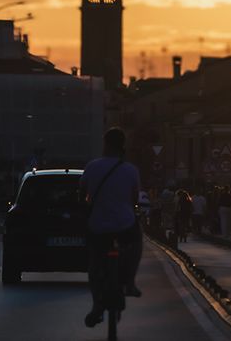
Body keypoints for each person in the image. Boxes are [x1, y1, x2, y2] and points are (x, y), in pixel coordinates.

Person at [79, 128, 143, 328]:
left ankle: (96, 306)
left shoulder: (92, 167)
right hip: (124, 224)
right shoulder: (131, 170)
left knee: (94, 262)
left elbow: (82, 193)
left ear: (106, 144)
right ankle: (130, 282)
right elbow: (134, 198)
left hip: (98, 225)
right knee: (137, 241)